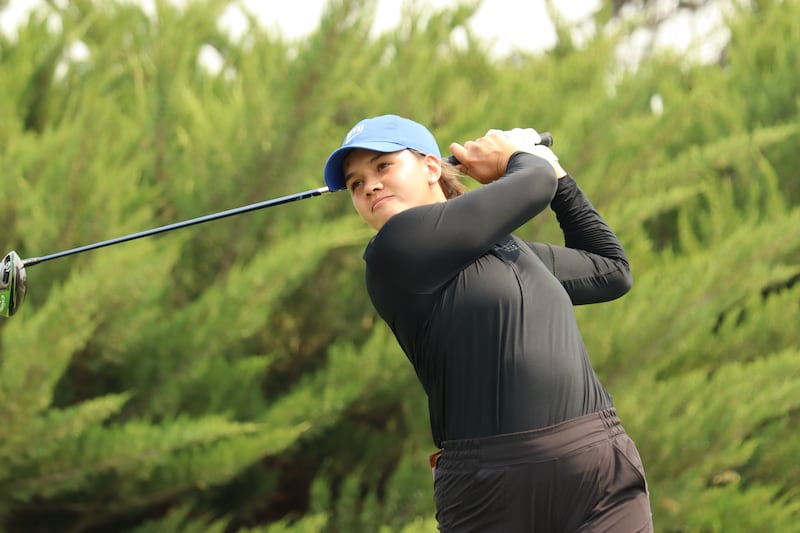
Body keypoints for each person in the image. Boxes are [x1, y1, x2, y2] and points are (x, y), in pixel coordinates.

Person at [324, 114, 653, 532]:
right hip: (492, 490)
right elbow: (532, 184)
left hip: (597, 468)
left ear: (429, 167)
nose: (369, 184)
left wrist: (559, 175)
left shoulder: (510, 251)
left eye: (382, 166)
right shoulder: (395, 249)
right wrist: (521, 155)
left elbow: (611, 270)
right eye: (355, 183)